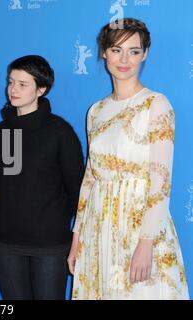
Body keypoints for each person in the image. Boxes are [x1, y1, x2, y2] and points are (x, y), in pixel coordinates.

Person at [67, 18, 189, 300]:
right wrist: (77, 239)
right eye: (116, 50)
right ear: (103, 52)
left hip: (140, 227)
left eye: (134, 51)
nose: (124, 59)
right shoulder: (96, 110)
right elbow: (90, 178)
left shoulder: (156, 104)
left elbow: (161, 180)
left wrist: (147, 243)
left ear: (145, 54)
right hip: (98, 226)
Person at [0, 55, 84, 300]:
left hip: (49, 243)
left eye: (22, 84)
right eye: (11, 82)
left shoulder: (60, 132)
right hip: (5, 241)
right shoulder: (1, 131)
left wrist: (58, 223)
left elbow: (78, 190)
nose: (13, 90)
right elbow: (5, 183)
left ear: (41, 89)